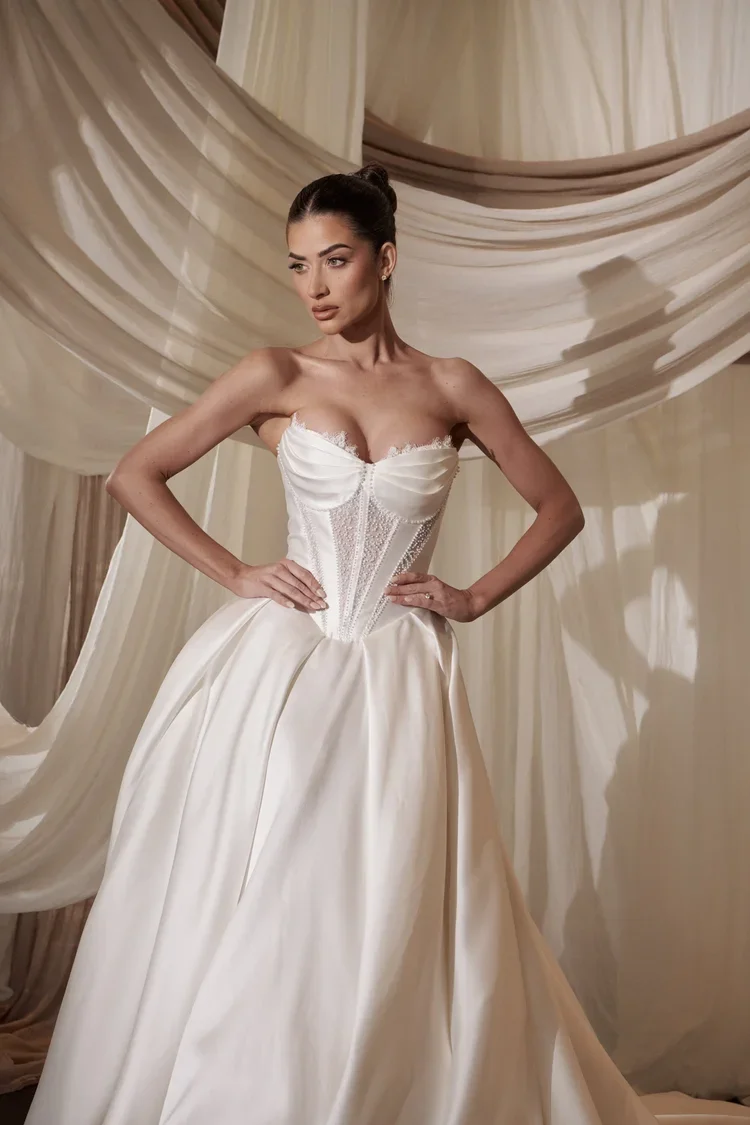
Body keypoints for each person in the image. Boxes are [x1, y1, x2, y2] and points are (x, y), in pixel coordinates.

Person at [26, 163, 658, 1124]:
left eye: (336, 259)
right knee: (281, 876)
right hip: (286, 664)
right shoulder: (273, 374)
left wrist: (473, 594)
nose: (315, 286)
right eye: (297, 266)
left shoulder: (452, 385)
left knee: (394, 886)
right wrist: (238, 570)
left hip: (402, 669)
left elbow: (559, 507)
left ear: (386, 258)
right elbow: (135, 473)